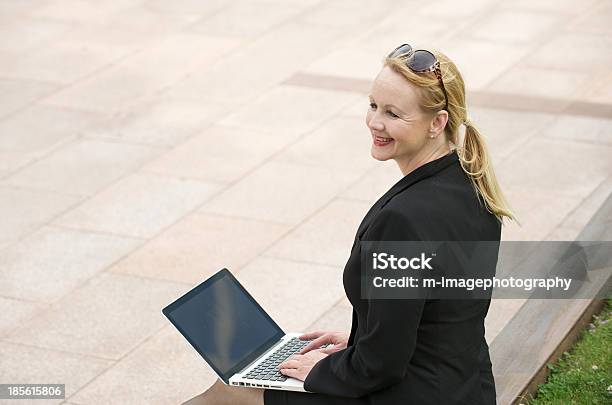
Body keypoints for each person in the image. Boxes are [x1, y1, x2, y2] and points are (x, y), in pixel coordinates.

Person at [184, 43, 514, 405]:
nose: (375, 122)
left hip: (407, 394)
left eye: (393, 113)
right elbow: (438, 317)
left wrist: (323, 371)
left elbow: (383, 365)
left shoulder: (403, 221)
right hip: (463, 390)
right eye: (373, 105)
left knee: (231, 391)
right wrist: (359, 342)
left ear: (437, 123)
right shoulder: (472, 187)